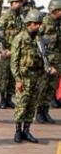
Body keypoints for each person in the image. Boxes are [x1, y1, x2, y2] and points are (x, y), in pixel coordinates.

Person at [10, 9, 54, 143]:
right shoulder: (20, 38)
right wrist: (17, 79)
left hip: (37, 77)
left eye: (39, 24)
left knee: (31, 105)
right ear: (29, 24)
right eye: (35, 24)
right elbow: (14, 62)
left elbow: (44, 57)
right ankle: (18, 131)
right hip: (24, 77)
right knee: (21, 105)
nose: (38, 26)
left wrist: (48, 68)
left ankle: (27, 130)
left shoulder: (39, 40)